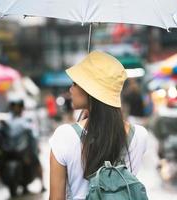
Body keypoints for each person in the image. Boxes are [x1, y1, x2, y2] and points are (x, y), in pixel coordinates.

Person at [49, 51, 148, 199]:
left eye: (75, 83)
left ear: (90, 90)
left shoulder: (64, 136)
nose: (71, 90)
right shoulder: (140, 135)